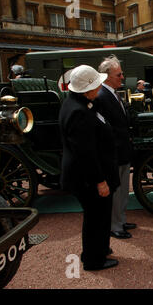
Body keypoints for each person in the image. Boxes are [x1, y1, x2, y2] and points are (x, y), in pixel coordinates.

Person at [59, 65, 120, 271]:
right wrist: (100, 181)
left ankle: (99, 249)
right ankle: (93, 260)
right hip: (88, 178)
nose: (100, 88)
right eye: (96, 85)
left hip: (90, 174)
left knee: (100, 215)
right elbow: (86, 153)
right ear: (86, 89)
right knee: (95, 217)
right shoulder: (79, 112)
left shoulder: (80, 104)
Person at [96, 55, 136, 239]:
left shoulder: (111, 93)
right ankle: (115, 226)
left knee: (123, 190)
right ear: (106, 76)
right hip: (114, 153)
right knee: (116, 191)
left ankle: (120, 220)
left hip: (122, 150)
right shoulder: (102, 96)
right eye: (118, 74)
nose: (122, 77)